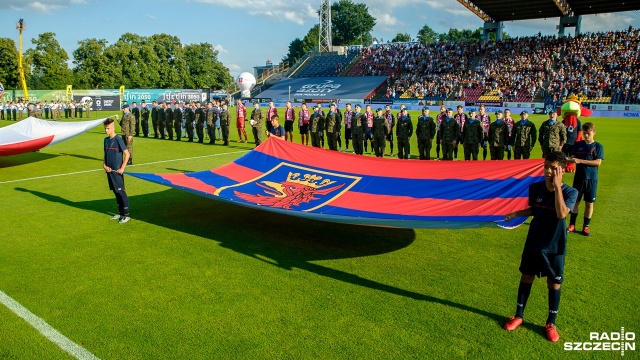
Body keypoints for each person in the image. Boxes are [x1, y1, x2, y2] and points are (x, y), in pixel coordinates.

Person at [503, 151, 578, 343]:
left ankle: (551, 323)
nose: (548, 171)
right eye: (546, 166)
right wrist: (516, 213)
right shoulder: (536, 188)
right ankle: (518, 315)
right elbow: (535, 209)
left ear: (561, 170)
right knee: (526, 276)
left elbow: (562, 214)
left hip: (554, 245)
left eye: (553, 168)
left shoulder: (571, 192)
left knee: (553, 282)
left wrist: (557, 187)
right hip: (534, 241)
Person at [567, 122, 603, 236]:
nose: (586, 136)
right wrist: (563, 159)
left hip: (592, 179)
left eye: (588, 133)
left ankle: (586, 227)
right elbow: (572, 158)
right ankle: (572, 225)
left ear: (594, 133)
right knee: (575, 202)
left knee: (589, 204)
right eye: (585, 133)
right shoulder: (577, 145)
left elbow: (598, 162)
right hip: (579, 178)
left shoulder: (598, 146)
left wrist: (580, 161)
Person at [103, 117, 131, 224]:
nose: (106, 130)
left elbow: (127, 154)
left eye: (108, 128)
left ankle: (126, 215)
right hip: (109, 172)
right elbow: (105, 155)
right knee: (115, 192)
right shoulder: (105, 140)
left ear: (113, 128)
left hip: (117, 172)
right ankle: (120, 213)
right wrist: (104, 165)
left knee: (121, 192)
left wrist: (122, 168)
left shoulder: (118, 140)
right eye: (105, 128)